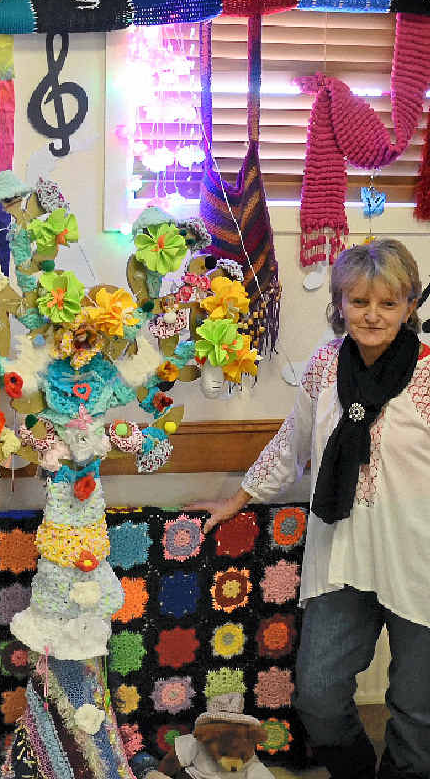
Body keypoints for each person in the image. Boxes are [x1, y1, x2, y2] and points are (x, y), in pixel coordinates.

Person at [192, 239, 430, 779]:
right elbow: (291, 444)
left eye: (388, 303)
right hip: (343, 553)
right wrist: (236, 499)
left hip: (420, 561)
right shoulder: (325, 366)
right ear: (340, 303)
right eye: (359, 301)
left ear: (410, 306)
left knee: (417, 715)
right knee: (318, 700)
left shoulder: (427, 373)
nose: (372, 315)